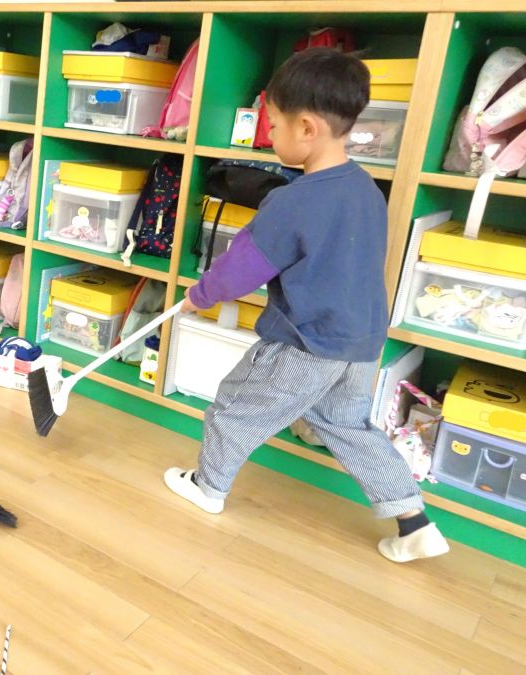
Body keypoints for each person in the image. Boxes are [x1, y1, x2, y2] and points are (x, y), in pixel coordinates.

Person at [164, 48, 449, 563]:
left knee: (234, 407)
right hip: (361, 342)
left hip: (307, 342)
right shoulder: (366, 189)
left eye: (273, 125)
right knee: (346, 425)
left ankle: (208, 486)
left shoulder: (293, 201)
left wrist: (200, 295)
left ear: (308, 128)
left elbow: (241, 267)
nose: (267, 135)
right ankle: (413, 518)